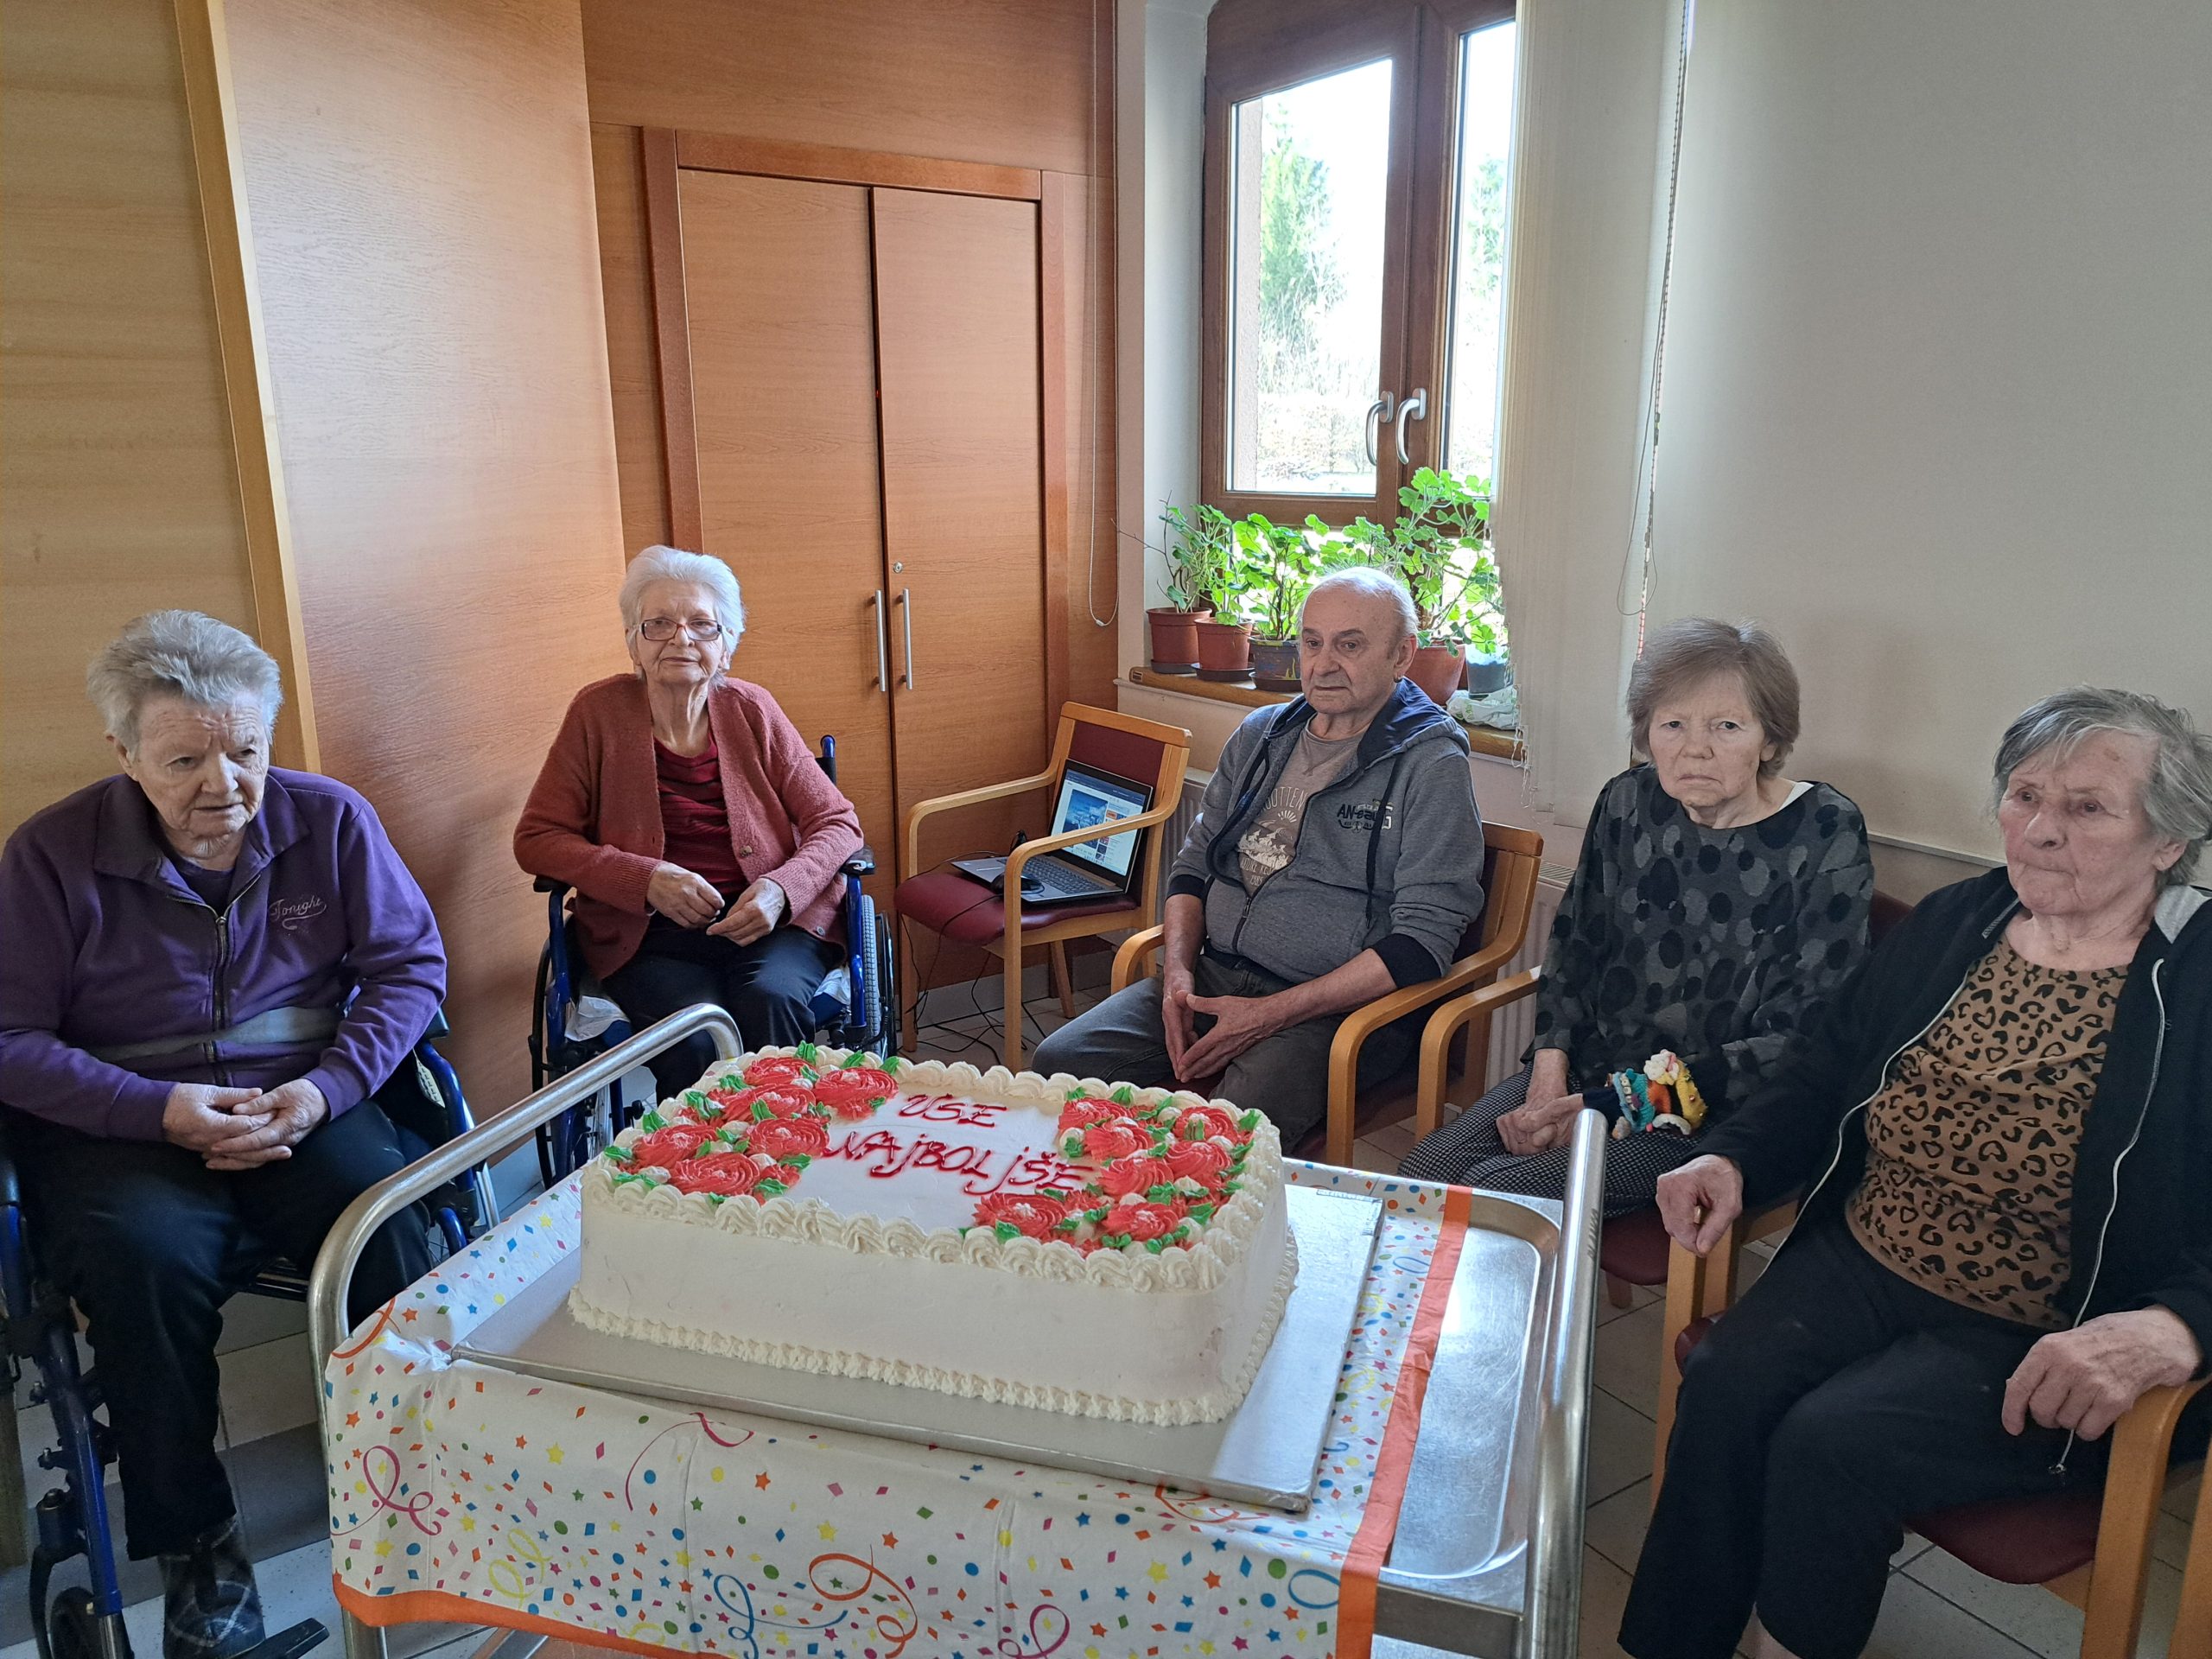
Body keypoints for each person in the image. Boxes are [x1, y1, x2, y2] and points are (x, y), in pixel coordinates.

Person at [1620, 688, 2212, 1659]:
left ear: (2169, 841)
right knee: (1726, 1382)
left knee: (1831, 1445)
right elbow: (1823, 1066)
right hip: (1868, 1254)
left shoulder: (2198, 975)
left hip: (2049, 1323)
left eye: (2088, 808)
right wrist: (1734, 1155)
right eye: (2025, 796)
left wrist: (2179, 1323)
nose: (2042, 830)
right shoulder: (1959, 921)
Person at [0, 612, 445, 1659]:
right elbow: (9, 1036)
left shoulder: (329, 822)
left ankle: (412, 1483)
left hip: (300, 1099)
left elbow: (407, 968)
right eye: (184, 762)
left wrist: (326, 1091)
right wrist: (153, 1109)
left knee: (384, 1224)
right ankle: (199, 1547)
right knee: (142, 1264)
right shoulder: (50, 856)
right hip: (122, 1122)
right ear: (124, 754)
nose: (224, 786)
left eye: (245, 752)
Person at [1398, 617, 1873, 1214]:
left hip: (1708, 1112)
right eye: (1673, 725)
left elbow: (1796, 1040)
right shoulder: (1628, 802)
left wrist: (1611, 1106)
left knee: (1493, 1195)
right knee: (1424, 1178)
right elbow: (1573, 950)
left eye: (1727, 726)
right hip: (1589, 1072)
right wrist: (1548, 1079)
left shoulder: (1825, 830)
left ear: (1771, 740)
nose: (1695, 748)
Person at [1030, 569, 1486, 1149]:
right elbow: (1192, 867)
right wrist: (1177, 974)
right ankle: (1118, 1196)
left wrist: (1271, 1013)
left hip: (1336, 1014)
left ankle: (1191, 1202)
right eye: (1312, 642)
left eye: (1349, 645)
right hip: (1215, 974)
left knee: (1223, 1132)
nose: (1322, 664)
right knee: (1060, 1065)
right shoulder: (1262, 734)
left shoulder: (1431, 765)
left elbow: (1423, 942)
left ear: (1402, 655)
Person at [515, 546, 862, 1100]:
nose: (681, 639)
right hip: (649, 939)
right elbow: (537, 839)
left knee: (770, 1002)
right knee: (695, 1035)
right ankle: (703, 1153)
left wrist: (780, 890)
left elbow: (837, 822)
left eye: (702, 625)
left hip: (772, 925)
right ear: (633, 641)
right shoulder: (597, 714)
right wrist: (644, 879)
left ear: (726, 645)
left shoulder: (753, 709)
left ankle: (788, 1137)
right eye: (658, 624)